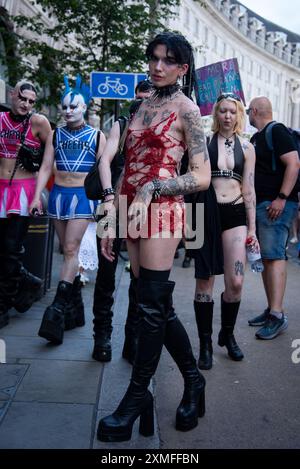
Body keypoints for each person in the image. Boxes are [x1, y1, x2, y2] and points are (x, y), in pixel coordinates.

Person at [97, 31, 210, 442]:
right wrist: (111, 221)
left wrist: (153, 189)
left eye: (167, 61)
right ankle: (194, 381)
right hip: (129, 208)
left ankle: (135, 397)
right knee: (155, 306)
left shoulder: (188, 110)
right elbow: (126, 166)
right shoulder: (141, 105)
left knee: (148, 308)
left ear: (182, 68)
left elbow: (201, 176)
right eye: (153, 58)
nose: (157, 66)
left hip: (162, 211)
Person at [30, 75, 106, 345]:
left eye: (74, 106)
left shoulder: (98, 135)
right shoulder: (55, 134)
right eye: (65, 107)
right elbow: (46, 166)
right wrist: (38, 194)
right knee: (67, 253)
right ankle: (76, 311)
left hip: (83, 197)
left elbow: (103, 170)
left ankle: (57, 309)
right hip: (58, 197)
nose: (68, 111)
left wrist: (107, 200)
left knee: (72, 250)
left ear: (84, 108)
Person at [194, 92, 257, 368]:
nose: (228, 116)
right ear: (216, 114)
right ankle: (205, 344)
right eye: (223, 111)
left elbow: (249, 189)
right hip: (203, 214)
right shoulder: (203, 142)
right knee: (205, 281)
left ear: (239, 114)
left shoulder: (247, 147)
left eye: (232, 111)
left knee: (236, 282)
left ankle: (227, 334)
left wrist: (253, 228)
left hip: (235, 213)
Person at [92, 79, 152, 363]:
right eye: (137, 98)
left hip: (142, 208)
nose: (140, 103)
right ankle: (101, 337)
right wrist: (106, 196)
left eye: (146, 98)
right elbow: (105, 160)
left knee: (139, 277)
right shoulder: (122, 123)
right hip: (113, 203)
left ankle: (132, 339)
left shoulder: (160, 127)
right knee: (105, 274)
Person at [0, 80, 51, 329]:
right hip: (0, 189)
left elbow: (48, 162)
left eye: (31, 101)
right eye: (22, 98)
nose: (26, 104)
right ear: (12, 94)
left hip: (24, 190)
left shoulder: (39, 123)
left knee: (11, 248)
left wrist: (36, 196)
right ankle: (27, 280)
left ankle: (2, 307)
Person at [247, 97, 299, 339]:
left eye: (248, 111)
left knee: (275, 256)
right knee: (268, 258)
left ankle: (277, 315)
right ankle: (271, 310)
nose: (247, 114)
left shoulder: (276, 131)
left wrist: (281, 197)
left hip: (275, 205)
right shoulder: (259, 137)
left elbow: (294, 163)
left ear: (255, 111)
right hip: (265, 204)